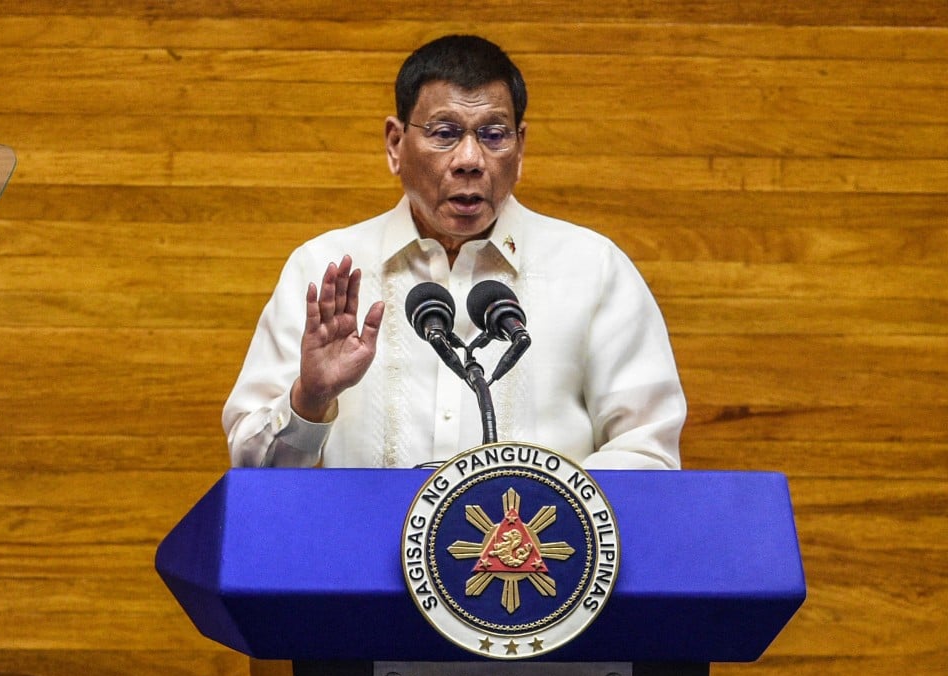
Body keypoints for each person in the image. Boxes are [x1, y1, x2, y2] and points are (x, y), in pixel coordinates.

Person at [223, 35, 685, 470]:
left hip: (533, 550)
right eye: (445, 132)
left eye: (494, 135)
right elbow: (253, 472)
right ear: (395, 144)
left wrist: (540, 514)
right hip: (362, 554)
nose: (470, 159)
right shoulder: (325, 270)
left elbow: (649, 452)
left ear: (520, 149)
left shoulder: (591, 269)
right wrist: (310, 398)